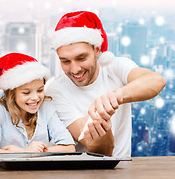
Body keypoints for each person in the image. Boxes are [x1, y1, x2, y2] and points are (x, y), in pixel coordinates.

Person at [46, 11, 166, 157]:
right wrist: (102, 128)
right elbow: (99, 150)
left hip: (123, 170)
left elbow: (156, 81)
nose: (75, 69)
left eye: (81, 58)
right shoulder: (55, 91)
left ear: (97, 50)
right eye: (65, 61)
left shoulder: (115, 67)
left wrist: (116, 96)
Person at [0, 53, 75, 161]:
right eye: (26, 93)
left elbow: (69, 147)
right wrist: (25, 152)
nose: (35, 98)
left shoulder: (46, 106)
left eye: (40, 90)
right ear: (11, 93)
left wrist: (30, 153)